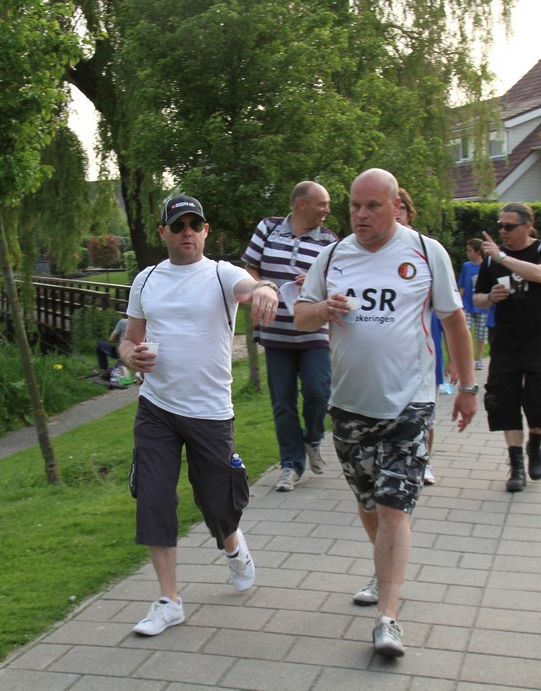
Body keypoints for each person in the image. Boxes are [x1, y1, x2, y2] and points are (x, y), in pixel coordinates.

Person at [294, 169, 477, 658]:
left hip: (409, 402)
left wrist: (467, 387)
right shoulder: (333, 255)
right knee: (370, 502)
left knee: (395, 507)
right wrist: (323, 309)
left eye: (373, 206)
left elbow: (454, 321)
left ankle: (388, 618)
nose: (361, 215)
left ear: (396, 206)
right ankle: (383, 570)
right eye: (355, 205)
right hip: (349, 405)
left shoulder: (426, 253)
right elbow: (301, 316)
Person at [118, 194, 279, 636]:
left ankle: (233, 545)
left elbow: (250, 287)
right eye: (178, 226)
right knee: (153, 498)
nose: (187, 232)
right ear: (163, 233)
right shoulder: (146, 279)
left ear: (206, 231)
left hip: (209, 412)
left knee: (217, 504)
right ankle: (169, 601)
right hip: (156, 408)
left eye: (195, 225)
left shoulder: (221, 273)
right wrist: (130, 356)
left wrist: (265, 290)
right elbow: (130, 339)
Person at [242, 181, 337, 492]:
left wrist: (315, 282)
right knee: (283, 403)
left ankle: (313, 438)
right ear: (301, 204)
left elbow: (339, 283)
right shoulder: (268, 229)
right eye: (322, 203)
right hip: (276, 333)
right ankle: (290, 466)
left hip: (314, 332)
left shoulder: (330, 241)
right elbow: (249, 270)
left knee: (318, 392)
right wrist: (263, 286)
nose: (327, 210)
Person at [472, 202, 541, 493]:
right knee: (505, 402)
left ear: (527, 226)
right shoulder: (491, 260)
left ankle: (535, 444)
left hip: (539, 340)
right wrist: (491, 297)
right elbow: (477, 299)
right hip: (505, 341)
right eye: (500, 226)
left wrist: (502, 257)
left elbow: (540, 274)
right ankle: (517, 466)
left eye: (509, 226)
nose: (503, 231)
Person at [395, 187, 445, 486]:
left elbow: (449, 310)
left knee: (427, 409)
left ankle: (424, 461)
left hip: (426, 346)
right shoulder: (370, 251)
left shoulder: (427, 250)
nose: (396, 214)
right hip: (391, 352)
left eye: (401, 208)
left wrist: (457, 363)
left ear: (409, 212)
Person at [458, 238, 489, 370]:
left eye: (470, 251)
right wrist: (458, 301)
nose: (467, 253)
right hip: (468, 305)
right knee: (466, 331)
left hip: (482, 306)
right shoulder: (466, 266)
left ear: (478, 252)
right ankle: (468, 358)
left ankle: (479, 358)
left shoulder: (486, 266)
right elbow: (463, 286)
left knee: (480, 334)